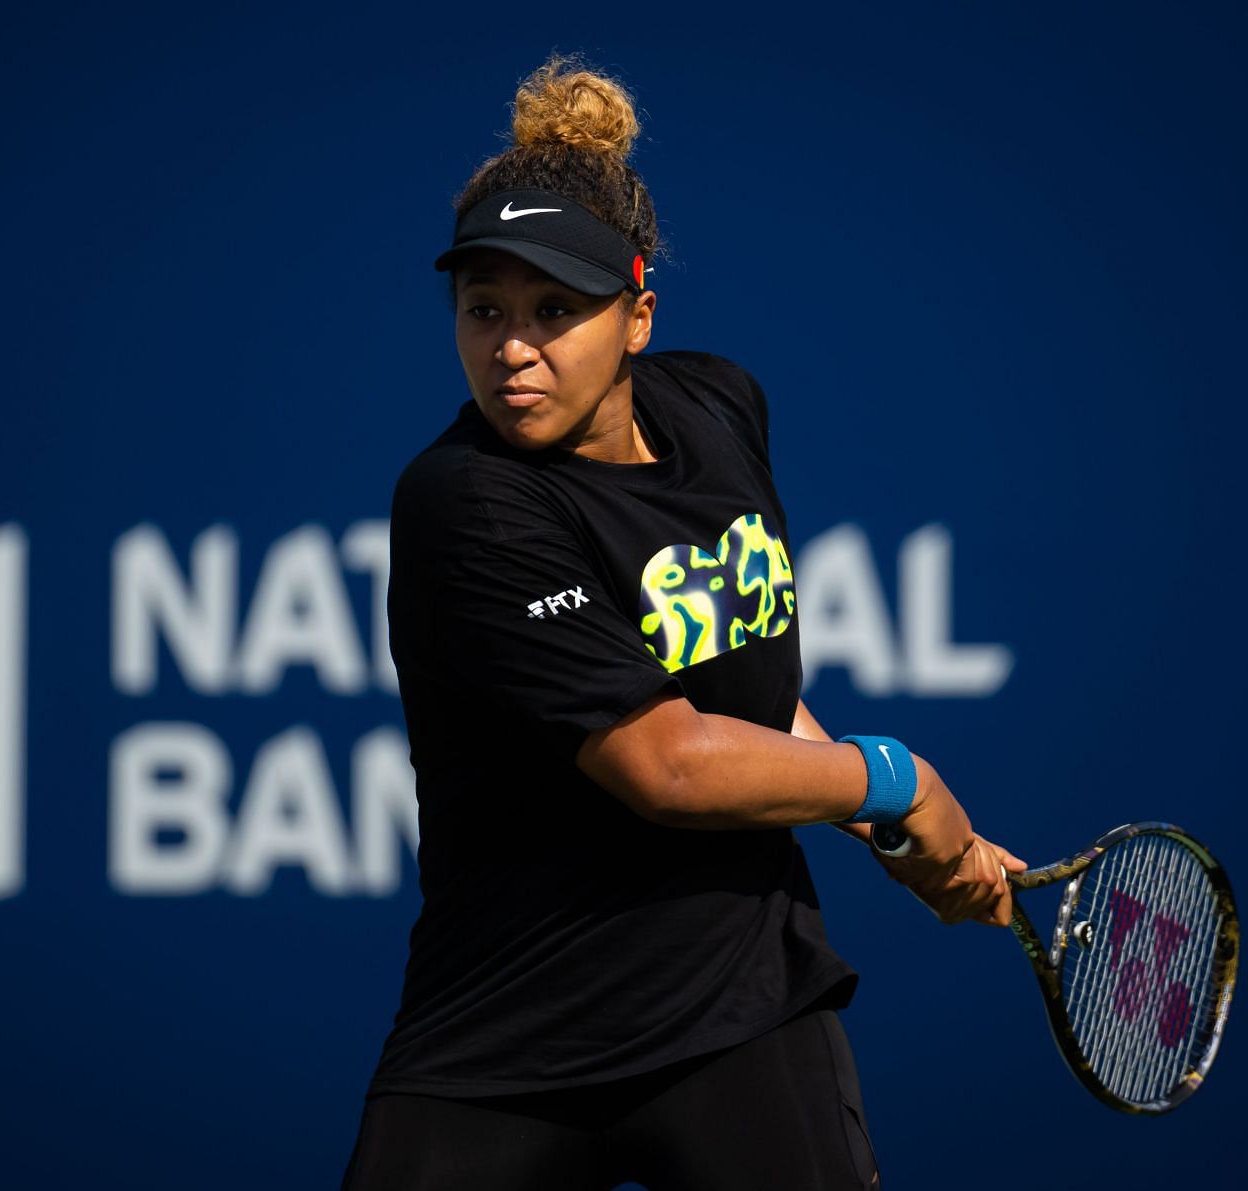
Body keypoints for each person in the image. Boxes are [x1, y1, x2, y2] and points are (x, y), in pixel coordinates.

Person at [341, 56, 1024, 1191]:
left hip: (738, 1015)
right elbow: (666, 762)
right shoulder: (464, 499)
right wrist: (896, 785)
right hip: (503, 1039)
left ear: (639, 316)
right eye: (485, 309)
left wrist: (897, 841)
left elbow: (744, 705)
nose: (514, 346)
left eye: (556, 310)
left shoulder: (719, 406)